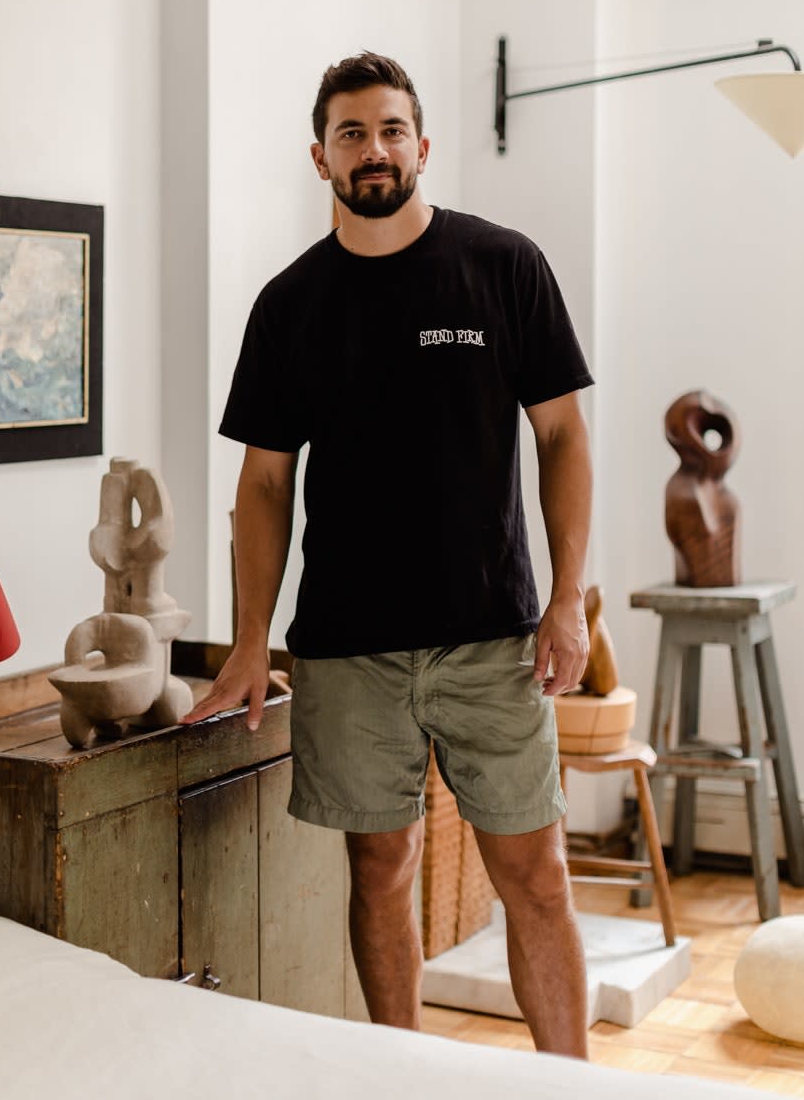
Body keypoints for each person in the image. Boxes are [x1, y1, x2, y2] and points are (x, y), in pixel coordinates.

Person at [183, 51, 594, 1058]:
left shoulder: (503, 266)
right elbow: (264, 483)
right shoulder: (289, 306)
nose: (375, 149)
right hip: (346, 648)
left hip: (492, 639)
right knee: (383, 868)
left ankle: (576, 1082)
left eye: (392, 128)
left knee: (536, 873)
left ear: (423, 142)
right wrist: (248, 642)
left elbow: (563, 437)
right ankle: (399, 1072)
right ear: (319, 155)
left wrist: (569, 597)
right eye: (353, 133)